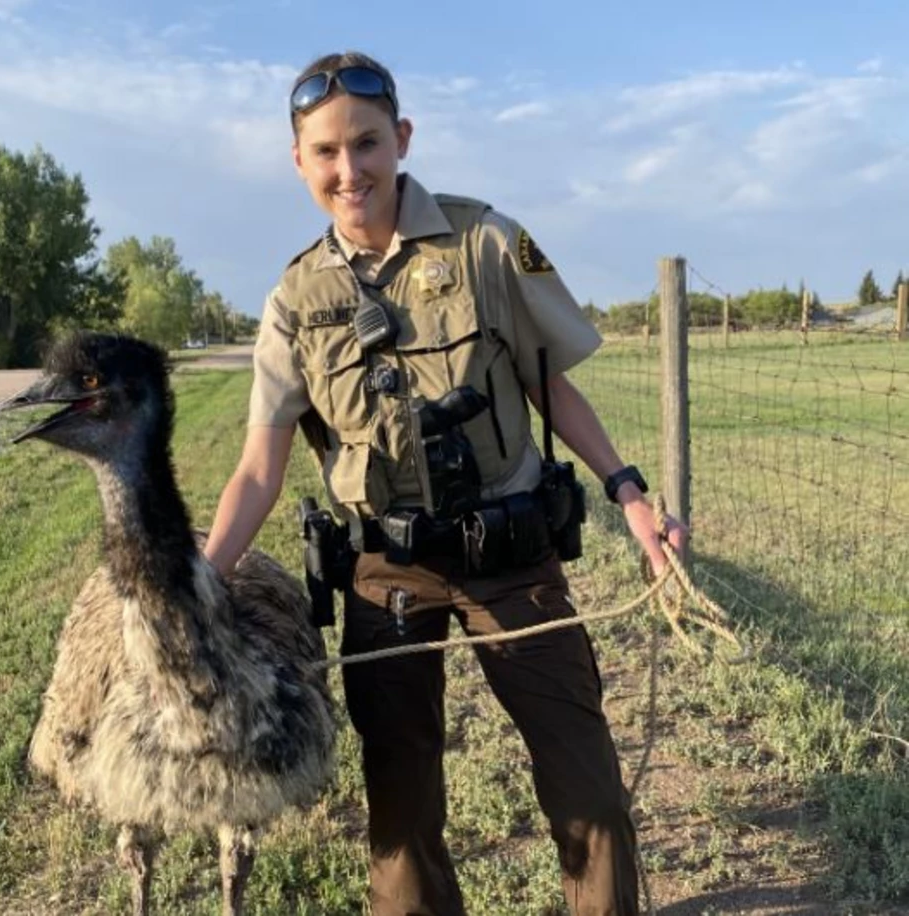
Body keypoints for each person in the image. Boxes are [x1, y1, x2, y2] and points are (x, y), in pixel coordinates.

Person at [204, 49, 686, 916]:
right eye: (326, 152)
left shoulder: (488, 244)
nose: (349, 170)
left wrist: (630, 493)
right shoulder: (293, 299)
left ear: (402, 139)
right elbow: (257, 467)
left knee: (587, 784)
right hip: (384, 573)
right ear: (298, 161)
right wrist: (200, 585)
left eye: (367, 143)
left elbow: (551, 385)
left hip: (509, 550)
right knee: (399, 810)